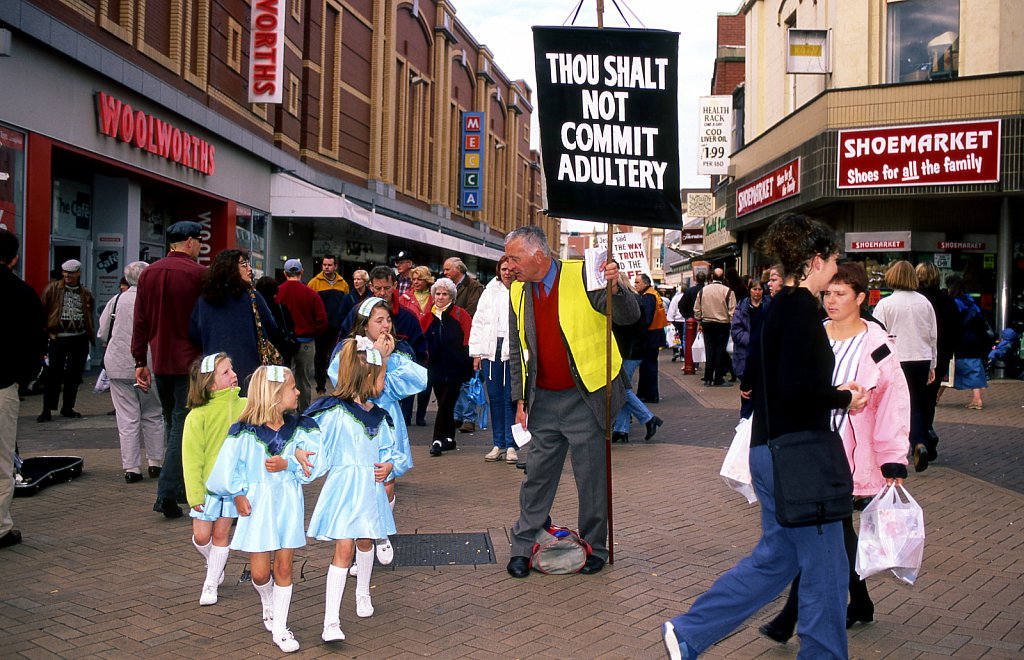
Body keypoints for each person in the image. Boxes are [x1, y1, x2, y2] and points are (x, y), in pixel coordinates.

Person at [662, 213, 867, 660]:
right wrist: (842, 397)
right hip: (799, 457)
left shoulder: (777, 308)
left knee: (780, 558)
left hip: (772, 452)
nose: (836, 267)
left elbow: (758, 375)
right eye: (833, 259)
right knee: (827, 569)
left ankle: (689, 631)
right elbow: (798, 389)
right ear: (814, 261)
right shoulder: (800, 313)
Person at [759, 261, 910, 643]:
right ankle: (858, 602)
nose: (831, 300)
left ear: (861, 298)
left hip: (847, 456)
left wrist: (893, 457)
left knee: (824, 530)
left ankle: (790, 617)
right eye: (828, 293)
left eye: (841, 294)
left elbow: (894, 405)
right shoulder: (812, 332)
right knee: (831, 532)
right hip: (806, 448)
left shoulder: (877, 348)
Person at [504, 226, 640, 579]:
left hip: (587, 396)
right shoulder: (517, 291)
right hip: (543, 400)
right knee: (536, 476)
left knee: (591, 477)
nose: (510, 265)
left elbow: (628, 315)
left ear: (538, 255)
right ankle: (523, 545)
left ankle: (596, 546)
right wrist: (519, 398)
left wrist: (615, 288)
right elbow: (518, 349)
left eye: (514, 258)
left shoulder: (584, 274)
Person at [205, 365, 320, 653]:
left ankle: (281, 627)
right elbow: (229, 468)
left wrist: (290, 463)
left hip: (288, 504)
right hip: (258, 507)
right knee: (259, 573)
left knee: (284, 566)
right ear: (273, 395)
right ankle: (267, 602)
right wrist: (237, 494)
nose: (297, 392)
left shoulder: (300, 429)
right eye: (291, 388)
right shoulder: (244, 433)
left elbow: (312, 467)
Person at [307, 337, 403, 642]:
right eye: (381, 376)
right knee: (343, 549)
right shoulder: (333, 413)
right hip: (344, 489)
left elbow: (391, 452)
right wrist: (297, 460)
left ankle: (363, 591)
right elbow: (313, 444)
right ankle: (330, 622)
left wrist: (390, 467)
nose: (384, 381)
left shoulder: (380, 417)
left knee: (365, 541)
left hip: (370, 489)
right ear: (366, 378)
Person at [328, 297, 426, 568]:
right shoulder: (348, 350)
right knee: (363, 484)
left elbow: (413, 381)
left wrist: (388, 359)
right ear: (364, 323)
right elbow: (360, 387)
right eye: (379, 320)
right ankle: (365, 545)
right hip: (358, 423)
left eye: (389, 320)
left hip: (387, 421)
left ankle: (379, 531)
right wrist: (379, 361)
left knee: (387, 481)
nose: (386, 326)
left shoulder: (396, 349)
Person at [133, 220, 206, 519]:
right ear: (189, 242)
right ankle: (168, 492)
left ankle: (176, 489)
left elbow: (141, 320)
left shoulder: (148, 273)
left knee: (171, 423)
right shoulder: (199, 274)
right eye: (199, 241)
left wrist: (140, 360)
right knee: (181, 426)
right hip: (191, 362)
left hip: (160, 359)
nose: (200, 246)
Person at [181, 353, 246, 606]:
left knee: (221, 534)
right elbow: (192, 459)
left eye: (232, 369)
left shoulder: (245, 405)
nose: (234, 375)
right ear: (210, 384)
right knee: (201, 536)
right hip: (206, 489)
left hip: (230, 486)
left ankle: (211, 581)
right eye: (226, 372)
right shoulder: (197, 417)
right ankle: (213, 563)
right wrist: (194, 495)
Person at [98, 260, 165, 482]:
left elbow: (103, 332)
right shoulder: (155, 300)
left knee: (126, 417)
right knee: (153, 414)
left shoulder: (116, 300)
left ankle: (132, 468)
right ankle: (156, 463)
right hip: (150, 363)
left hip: (118, 364)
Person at [0, 228, 46, 549]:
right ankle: (1, 528)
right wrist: (26, 378)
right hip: (2, 384)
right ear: (14, 258)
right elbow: (35, 342)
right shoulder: (22, 293)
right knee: (2, 460)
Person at [872, 260, 937, 472]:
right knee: (917, 403)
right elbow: (932, 335)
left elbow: (876, 336)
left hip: (897, 358)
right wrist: (933, 364)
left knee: (896, 405)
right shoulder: (925, 303)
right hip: (921, 357)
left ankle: (906, 445)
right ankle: (920, 440)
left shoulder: (885, 304)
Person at [340, 266, 427, 424]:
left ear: (395, 285)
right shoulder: (356, 313)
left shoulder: (408, 318)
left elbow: (420, 356)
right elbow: (342, 348)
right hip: (362, 396)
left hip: (400, 399)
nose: (382, 293)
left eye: (386, 288)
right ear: (371, 286)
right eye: (377, 288)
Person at [189, 250, 279, 395]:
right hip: (249, 373)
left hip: (214, 373)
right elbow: (272, 328)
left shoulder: (204, 300)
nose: (250, 269)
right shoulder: (253, 297)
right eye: (244, 265)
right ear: (230, 269)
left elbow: (194, 333)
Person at [469, 257, 518, 462]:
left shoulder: (522, 289)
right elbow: (478, 322)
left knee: (510, 399)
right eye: (503, 268)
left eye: (510, 269)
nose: (507, 272)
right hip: (491, 349)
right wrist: (476, 353)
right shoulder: (489, 291)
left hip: (512, 350)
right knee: (495, 398)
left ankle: (511, 445)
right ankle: (498, 444)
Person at [38, 258, 95, 421]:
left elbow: (88, 315)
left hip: (79, 338)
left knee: (74, 374)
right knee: (53, 375)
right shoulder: (53, 288)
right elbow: (44, 310)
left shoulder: (85, 293)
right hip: (58, 338)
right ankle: (47, 409)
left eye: (71, 273)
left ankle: (68, 407)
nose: (67, 276)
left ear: (78, 273)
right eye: (65, 273)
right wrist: (45, 333)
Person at [915, 262, 961, 461]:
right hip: (941, 354)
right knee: (929, 398)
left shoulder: (915, 300)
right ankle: (926, 431)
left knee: (913, 399)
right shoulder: (946, 300)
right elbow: (957, 329)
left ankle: (919, 436)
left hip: (915, 355)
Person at [424, 277, 474, 457]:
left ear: (451, 296)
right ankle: (450, 439)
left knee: (445, 404)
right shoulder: (427, 317)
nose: (440, 297)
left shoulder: (461, 315)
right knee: (446, 406)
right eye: (437, 293)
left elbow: (469, 338)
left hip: (456, 368)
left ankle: (436, 440)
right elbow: (422, 341)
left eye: (445, 294)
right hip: (436, 368)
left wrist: (470, 363)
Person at [612, 272, 661, 443]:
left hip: (629, 351)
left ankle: (648, 418)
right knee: (624, 388)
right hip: (633, 350)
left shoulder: (628, 302)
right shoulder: (637, 299)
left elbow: (625, 328)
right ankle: (621, 429)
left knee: (621, 388)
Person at [276, 259, 327, 411]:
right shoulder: (311, 294)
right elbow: (322, 320)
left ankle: (286, 411)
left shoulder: (278, 292)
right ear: (301, 272)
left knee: (285, 379)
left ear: (285, 273)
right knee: (304, 380)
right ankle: (304, 412)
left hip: (285, 344)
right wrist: (314, 333)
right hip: (306, 342)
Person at [307, 254, 349, 396]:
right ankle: (320, 387)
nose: (326, 267)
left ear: (335, 266)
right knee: (319, 357)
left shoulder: (343, 284)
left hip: (337, 327)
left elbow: (346, 306)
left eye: (329, 265)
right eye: (324, 264)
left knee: (336, 356)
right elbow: (309, 305)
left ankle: (338, 387)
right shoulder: (314, 283)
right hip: (321, 327)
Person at [398, 265, 434, 426]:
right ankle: (406, 415)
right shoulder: (405, 297)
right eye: (413, 279)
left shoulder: (434, 296)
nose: (416, 282)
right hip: (410, 343)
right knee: (409, 380)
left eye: (420, 279)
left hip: (430, 342)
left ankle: (421, 415)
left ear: (427, 280)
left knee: (426, 382)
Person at [947, 274, 989, 410]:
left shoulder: (953, 302)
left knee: (949, 369)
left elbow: (952, 322)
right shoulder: (971, 301)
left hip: (960, 339)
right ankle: (977, 399)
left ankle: (936, 398)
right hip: (974, 340)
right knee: (974, 368)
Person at [730, 278, 766, 419]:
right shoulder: (742, 307)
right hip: (745, 356)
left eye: (759, 289)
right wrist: (753, 340)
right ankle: (744, 421)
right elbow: (736, 331)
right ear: (749, 290)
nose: (757, 292)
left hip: (762, 356)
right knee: (747, 394)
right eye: (754, 289)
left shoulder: (768, 306)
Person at [694, 268, 736, 388]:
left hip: (707, 323)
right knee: (720, 351)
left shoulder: (703, 291)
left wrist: (699, 320)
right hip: (723, 324)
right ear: (723, 278)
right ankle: (718, 378)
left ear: (711, 277)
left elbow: (697, 309)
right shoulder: (728, 291)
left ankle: (708, 378)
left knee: (710, 350)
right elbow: (733, 311)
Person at [634, 273, 668, 403]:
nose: (635, 285)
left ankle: (649, 394)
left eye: (637, 283)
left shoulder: (648, 297)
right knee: (649, 365)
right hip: (655, 333)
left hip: (650, 335)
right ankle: (647, 393)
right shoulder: (653, 293)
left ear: (645, 283)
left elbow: (646, 318)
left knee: (648, 366)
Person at [254, 276, 299, 364]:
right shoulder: (282, 309)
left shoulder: (254, 310)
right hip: (281, 351)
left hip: (260, 352)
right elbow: (290, 327)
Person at [666, 285, 686, 362]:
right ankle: (683, 355)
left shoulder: (675, 298)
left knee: (676, 337)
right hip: (685, 319)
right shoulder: (686, 297)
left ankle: (676, 351)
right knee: (684, 338)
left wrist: (669, 319)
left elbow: (672, 309)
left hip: (676, 320)